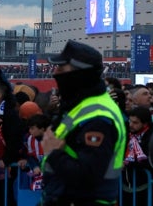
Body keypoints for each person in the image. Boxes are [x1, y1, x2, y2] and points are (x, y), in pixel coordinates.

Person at [41, 41, 127, 206]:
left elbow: (88, 173)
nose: (54, 73)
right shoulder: (80, 105)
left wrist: (54, 154)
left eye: (61, 68)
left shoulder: (98, 117)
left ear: (80, 75)